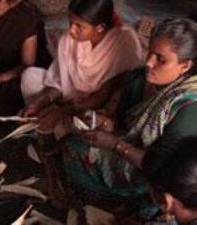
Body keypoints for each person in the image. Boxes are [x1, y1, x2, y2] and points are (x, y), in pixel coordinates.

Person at [65, 18, 197, 218]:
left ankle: (117, 208)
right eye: (149, 52)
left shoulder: (189, 105)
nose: (149, 62)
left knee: (74, 151)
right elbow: (126, 124)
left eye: (161, 59)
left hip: (157, 179)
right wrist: (106, 123)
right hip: (130, 153)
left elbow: (162, 167)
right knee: (73, 142)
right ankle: (115, 208)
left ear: (185, 66)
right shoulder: (138, 78)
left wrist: (115, 144)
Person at [20, 0, 142, 132]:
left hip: (100, 105)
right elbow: (60, 82)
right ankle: (54, 124)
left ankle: (59, 127)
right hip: (71, 98)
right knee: (30, 77)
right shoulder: (69, 40)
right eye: (70, 22)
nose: (71, 30)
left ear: (100, 27)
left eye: (79, 26)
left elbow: (102, 97)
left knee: (94, 119)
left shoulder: (123, 42)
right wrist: (40, 102)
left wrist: (63, 111)